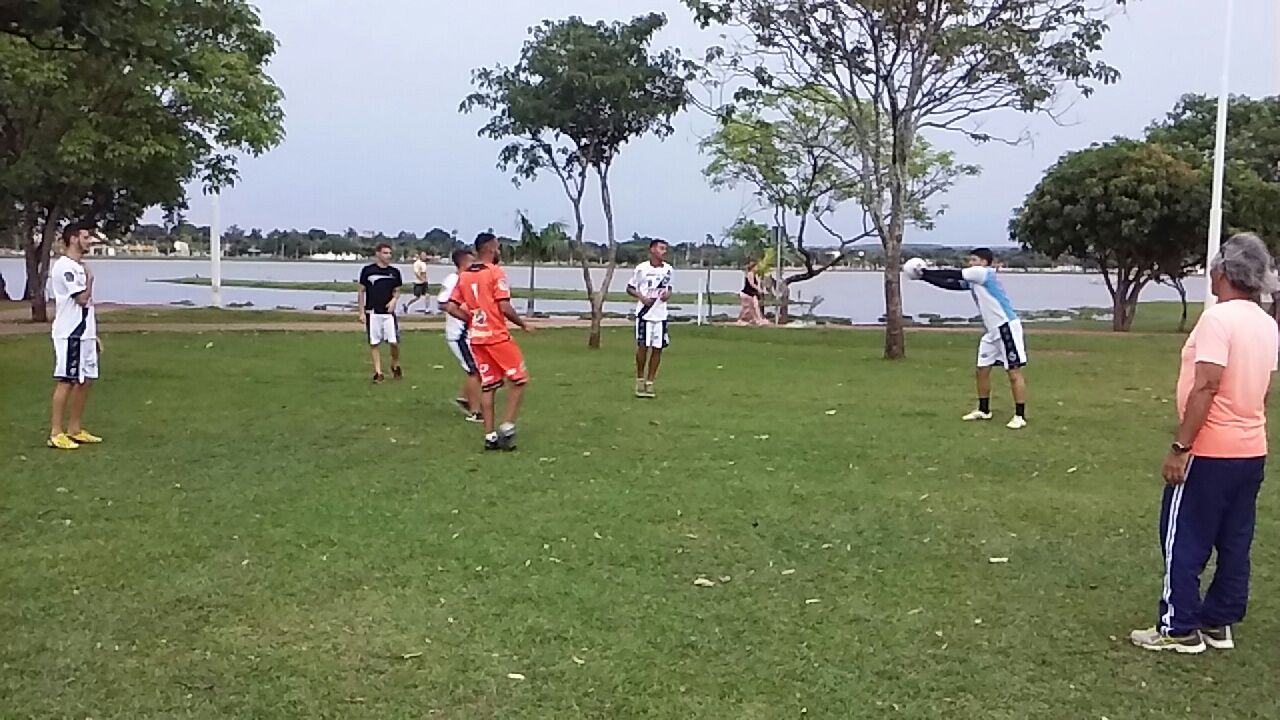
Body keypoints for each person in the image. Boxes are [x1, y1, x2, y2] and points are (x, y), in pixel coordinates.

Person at [1129, 233, 1279, 654]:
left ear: (1222, 272)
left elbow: (1207, 385)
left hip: (1211, 450)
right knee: (1234, 539)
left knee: (1183, 536)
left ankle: (1178, 626)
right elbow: (1264, 389)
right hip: (1250, 449)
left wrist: (1181, 448)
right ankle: (1219, 621)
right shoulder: (1266, 323)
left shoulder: (1218, 319)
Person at [915, 248, 1028, 429]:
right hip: (991, 332)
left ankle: (1020, 416)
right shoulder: (975, 281)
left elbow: (953, 273)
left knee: (1013, 372)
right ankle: (984, 410)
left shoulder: (983, 273)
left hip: (1006, 328)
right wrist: (924, 278)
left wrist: (925, 272)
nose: (970, 263)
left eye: (974, 260)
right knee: (982, 370)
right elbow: (951, 284)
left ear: (984, 262)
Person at [444, 232, 534, 451]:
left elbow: (450, 306)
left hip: (477, 338)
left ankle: (489, 436)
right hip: (496, 336)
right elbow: (504, 306)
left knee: (489, 385)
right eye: (498, 247)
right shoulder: (495, 272)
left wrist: (472, 319)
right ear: (491, 248)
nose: (499, 251)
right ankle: (507, 427)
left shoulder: (465, 275)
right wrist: (523, 324)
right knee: (519, 380)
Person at [48, 223, 103, 450]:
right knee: (67, 380)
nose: (89, 242)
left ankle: (75, 428)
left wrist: (93, 335)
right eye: (86, 237)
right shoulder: (65, 267)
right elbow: (80, 299)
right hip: (70, 333)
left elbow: (86, 307)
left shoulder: (79, 266)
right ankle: (56, 432)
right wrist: (90, 280)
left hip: (84, 334)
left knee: (86, 379)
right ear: (73, 239)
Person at [437, 248, 482, 423]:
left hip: (467, 333)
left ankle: (465, 397)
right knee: (475, 371)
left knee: (477, 369)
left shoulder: (467, 280)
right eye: (472, 262)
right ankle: (475, 411)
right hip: (459, 334)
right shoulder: (454, 279)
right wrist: (467, 316)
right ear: (463, 263)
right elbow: (443, 304)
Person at [627, 238, 674, 398]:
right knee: (643, 347)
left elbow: (669, 287)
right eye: (661, 248)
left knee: (657, 348)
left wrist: (668, 294)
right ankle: (640, 379)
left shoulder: (668, 269)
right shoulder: (642, 269)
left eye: (665, 249)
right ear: (653, 249)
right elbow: (630, 288)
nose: (664, 252)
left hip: (660, 315)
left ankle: (650, 382)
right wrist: (641, 297)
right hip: (645, 314)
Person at [357, 242, 403, 383]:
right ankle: (378, 373)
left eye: (389, 253)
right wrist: (361, 312)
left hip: (388, 313)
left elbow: (397, 291)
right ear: (378, 254)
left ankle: (394, 364)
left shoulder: (394, 272)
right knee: (374, 342)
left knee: (394, 342)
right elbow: (361, 291)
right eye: (385, 253)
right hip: (372, 312)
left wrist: (394, 300)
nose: (388, 256)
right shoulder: (368, 271)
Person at [737, 260, 770, 326]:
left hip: (752, 293)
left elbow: (757, 283)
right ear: (753, 267)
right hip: (747, 293)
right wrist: (758, 289)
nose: (757, 268)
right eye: (756, 267)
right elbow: (751, 283)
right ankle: (741, 320)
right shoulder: (750, 274)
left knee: (754, 307)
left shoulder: (755, 275)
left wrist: (760, 285)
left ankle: (758, 319)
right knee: (747, 308)